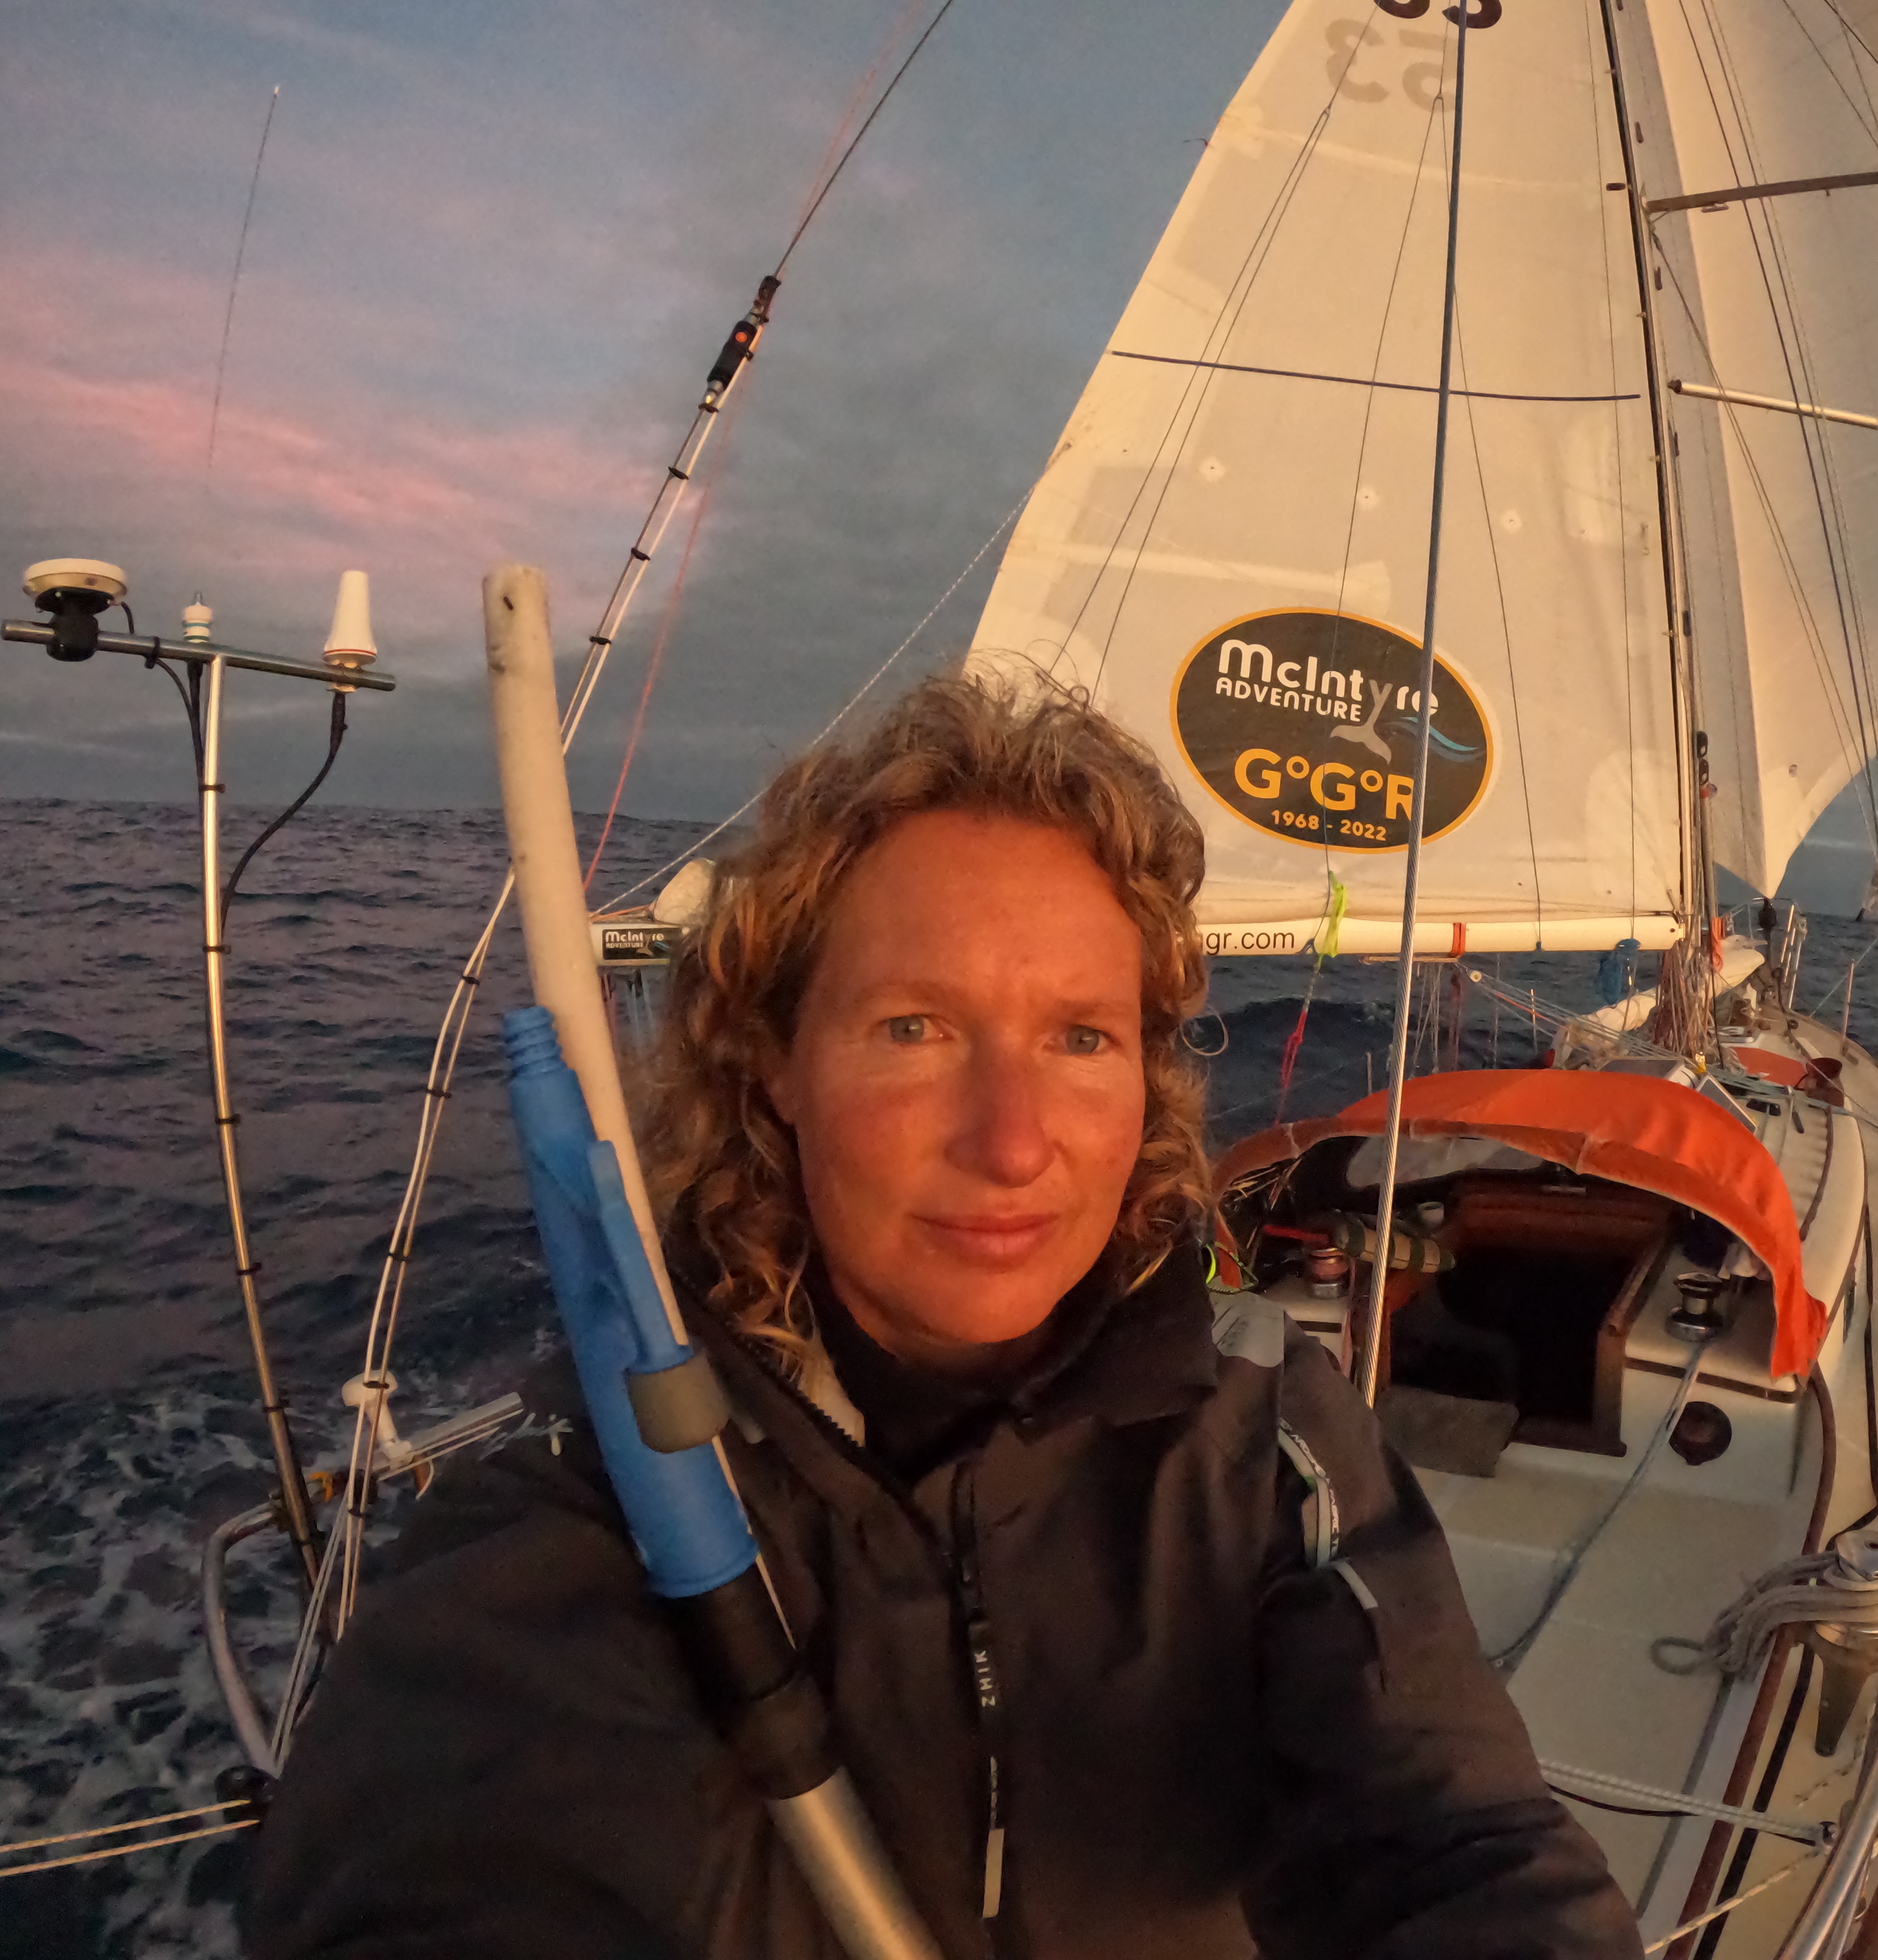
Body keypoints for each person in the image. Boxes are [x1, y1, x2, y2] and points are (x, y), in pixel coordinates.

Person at [245, 674, 1640, 1960]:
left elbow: (1459, 1843)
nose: (1015, 1143)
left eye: (1080, 1038)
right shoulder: (586, 1514)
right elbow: (455, 1875)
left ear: (1147, 1080)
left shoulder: (1267, 1453)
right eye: (915, 1028)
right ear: (772, 1064)